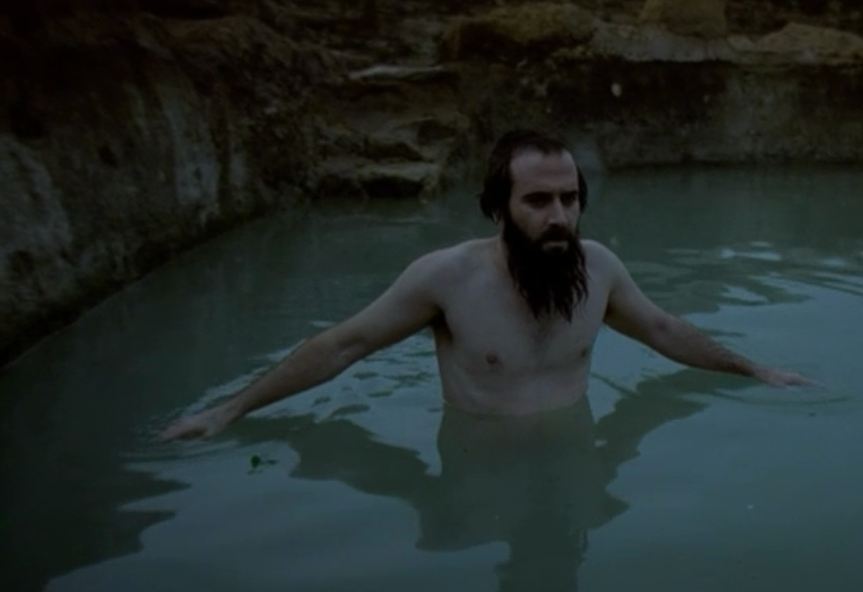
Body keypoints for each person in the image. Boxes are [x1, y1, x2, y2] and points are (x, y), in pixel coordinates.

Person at [161, 130, 810, 440]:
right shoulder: (446, 278)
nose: (559, 217)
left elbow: (663, 329)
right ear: (498, 209)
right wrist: (229, 410)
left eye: (569, 199)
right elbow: (344, 345)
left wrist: (754, 370)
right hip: (481, 464)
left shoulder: (600, 269)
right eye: (537, 201)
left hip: (574, 456)